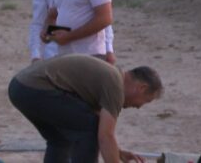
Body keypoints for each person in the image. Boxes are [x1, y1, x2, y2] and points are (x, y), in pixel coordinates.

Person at [8, 54, 162, 162]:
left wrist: (118, 152)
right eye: (145, 101)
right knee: (89, 129)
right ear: (141, 88)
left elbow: (102, 129)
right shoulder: (115, 85)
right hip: (35, 88)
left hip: (19, 87)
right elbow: (105, 136)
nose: (139, 107)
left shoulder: (110, 78)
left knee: (60, 139)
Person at [29, 0, 116, 64]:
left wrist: (109, 49)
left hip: (89, 54)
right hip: (53, 55)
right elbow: (38, 23)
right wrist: (36, 55)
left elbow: (102, 19)